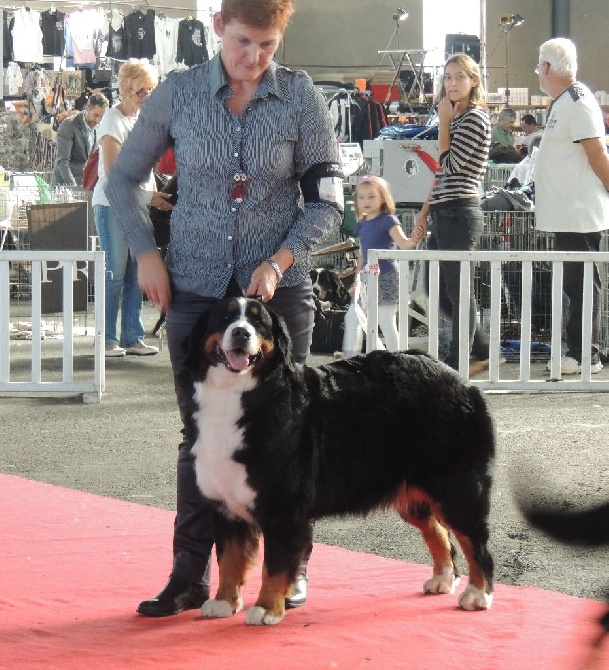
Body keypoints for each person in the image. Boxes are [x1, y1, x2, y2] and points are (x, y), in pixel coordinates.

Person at [105, 0, 343, 616]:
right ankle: (189, 576)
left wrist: (282, 260)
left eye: (268, 46)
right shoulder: (178, 94)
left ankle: (290, 570)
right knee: (200, 439)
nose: (254, 58)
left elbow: (327, 200)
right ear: (217, 29)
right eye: (243, 42)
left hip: (278, 299)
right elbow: (122, 179)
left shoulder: (300, 97)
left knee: (288, 438)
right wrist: (145, 254)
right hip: (196, 295)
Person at [412, 52, 492, 376]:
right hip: (445, 211)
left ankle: (461, 359)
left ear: (474, 81)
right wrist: (424, 212)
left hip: (461, 212)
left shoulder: (474, 117)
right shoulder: (456, 117)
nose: (452, 83)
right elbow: (441, 174)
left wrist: (443, 122)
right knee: (437, 289)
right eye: (447, 77)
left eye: (459, 76)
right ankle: (481, 349)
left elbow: (451, 164)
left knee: (459, 291)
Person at [533, 38, 609, 375]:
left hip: (580, 212)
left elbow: (598, 155)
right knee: (574, 285)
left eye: (539, 65)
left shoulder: (577, 101)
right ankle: (579, 352)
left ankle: (585, 355)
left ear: (547, 67)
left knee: (581, 285)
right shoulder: (563, 102)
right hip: (567, 213)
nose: (538, 72)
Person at [93, 60, 169, 358]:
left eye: (151, 90)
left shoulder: (142, 120)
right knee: (114, 272)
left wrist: (151, 196)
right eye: (141, 91)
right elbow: (114, 171)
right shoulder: (112, 119)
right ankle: (107, 339)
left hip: (136, 204)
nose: (146, 96)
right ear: (126, 88)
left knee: (136, 273)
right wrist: (149, 195)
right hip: (113, 205)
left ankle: (132, 337)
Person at [342, 175, 417, 358]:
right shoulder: (362, 224)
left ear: (383, 197)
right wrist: (356, 279)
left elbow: (404, 244)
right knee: (353, 316)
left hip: (387, 276)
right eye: (361, 197)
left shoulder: (388, 220)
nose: (365, 201)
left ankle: (396, 359)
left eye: (371, 196)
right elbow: (362, 254)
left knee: (385, 319)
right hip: (367, 277)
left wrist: (416, 238)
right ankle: (350, 358)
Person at [51, 93, 109, 186]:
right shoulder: (69, 125)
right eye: (96, 115)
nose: (98, 120)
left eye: (101, 117)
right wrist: (73, 188)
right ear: (87, 108)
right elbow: (62, 162)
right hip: (63, 185)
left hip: (83, 184)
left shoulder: (99, 128)